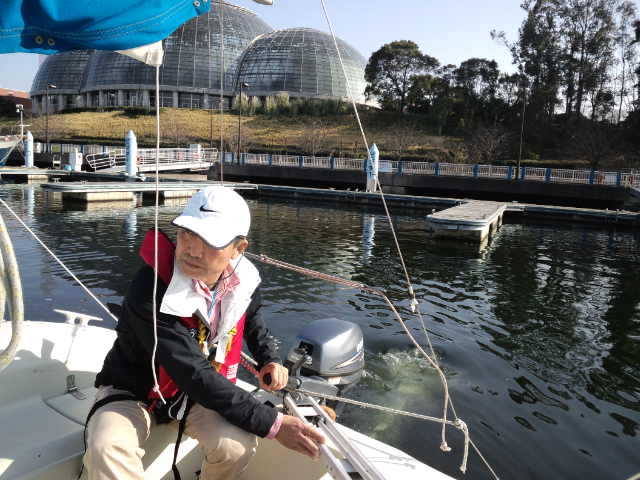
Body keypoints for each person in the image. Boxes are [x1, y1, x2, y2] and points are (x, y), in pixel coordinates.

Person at [84, 186, 325, 480]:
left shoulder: (244, 281)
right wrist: (273, 423)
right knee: (107, 447)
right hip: (133, 390)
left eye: (210, 241)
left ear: (239, 249)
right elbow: (191, 371)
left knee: (235, 447)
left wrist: (268, 358)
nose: (192, 250)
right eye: (187, 233)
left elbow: (251, 318)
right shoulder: (150, 288)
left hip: (192, 396)